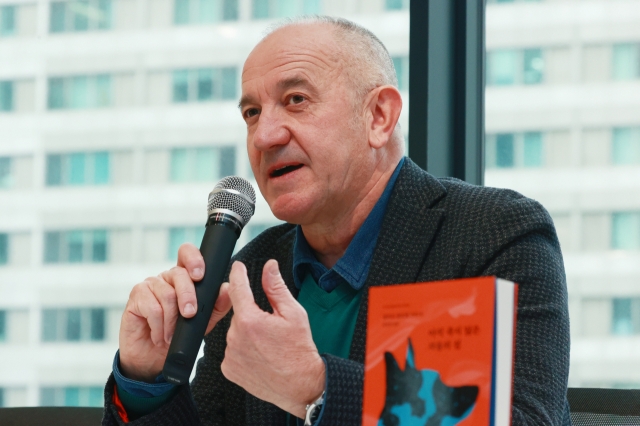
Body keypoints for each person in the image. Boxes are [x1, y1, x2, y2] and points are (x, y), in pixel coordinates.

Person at [102, 16, 571, 426]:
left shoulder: (495, 235)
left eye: (297, 99)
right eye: (251, 112)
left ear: (378, 117)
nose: (265, 135)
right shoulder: (250, 269)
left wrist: (316, 388)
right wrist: (148, 382)